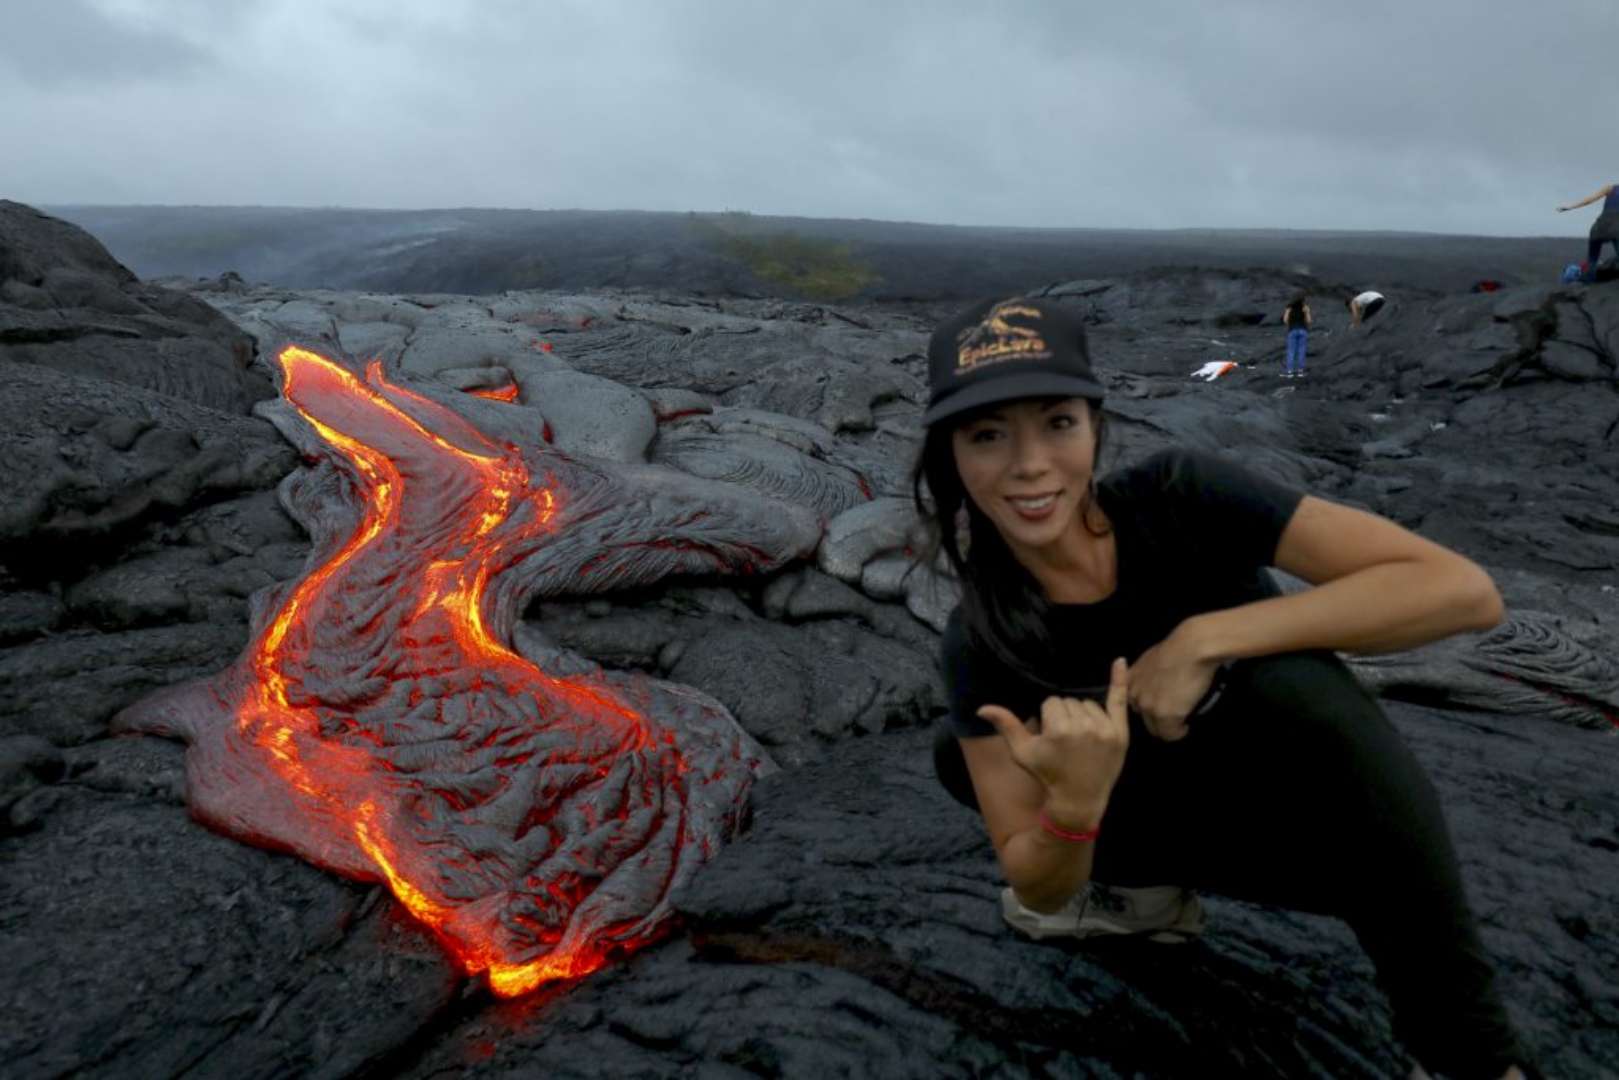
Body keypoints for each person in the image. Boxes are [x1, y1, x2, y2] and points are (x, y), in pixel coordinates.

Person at [912, 296, 1536, 1080]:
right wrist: (1073, 808)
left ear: (1094, 428)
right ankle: (1140, 896)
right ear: (952, 458)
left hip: (1329, 832)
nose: (1029, 463)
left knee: (1293, 682)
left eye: (1056, 422)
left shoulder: (1181, 497)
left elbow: (1460, 591)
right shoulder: (983, 641)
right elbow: (1034, 886)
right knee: (957, 750)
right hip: (1179, 825)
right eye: (987, 435)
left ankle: (1465, 1059)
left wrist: (1208, 637)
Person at [1558, 182, 1619, 280]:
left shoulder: (1611, 188)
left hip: (1598, 229)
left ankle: (1585, 279)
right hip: (1616, 230)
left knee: (1592, 261)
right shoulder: (1611, 188)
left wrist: (1570, 207)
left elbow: (1590, 199)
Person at [1281, 292, 1312, 377]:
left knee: (1291, 351)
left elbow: (1285, 320)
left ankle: (1290, 371)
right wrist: (1307, 312)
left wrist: (1288, 314)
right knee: (1301, 351)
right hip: (1303, 330)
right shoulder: (1304, 307)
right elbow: (1309, 321)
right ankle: (1300, 371)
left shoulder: (1289, 308)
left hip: (1292, 330)